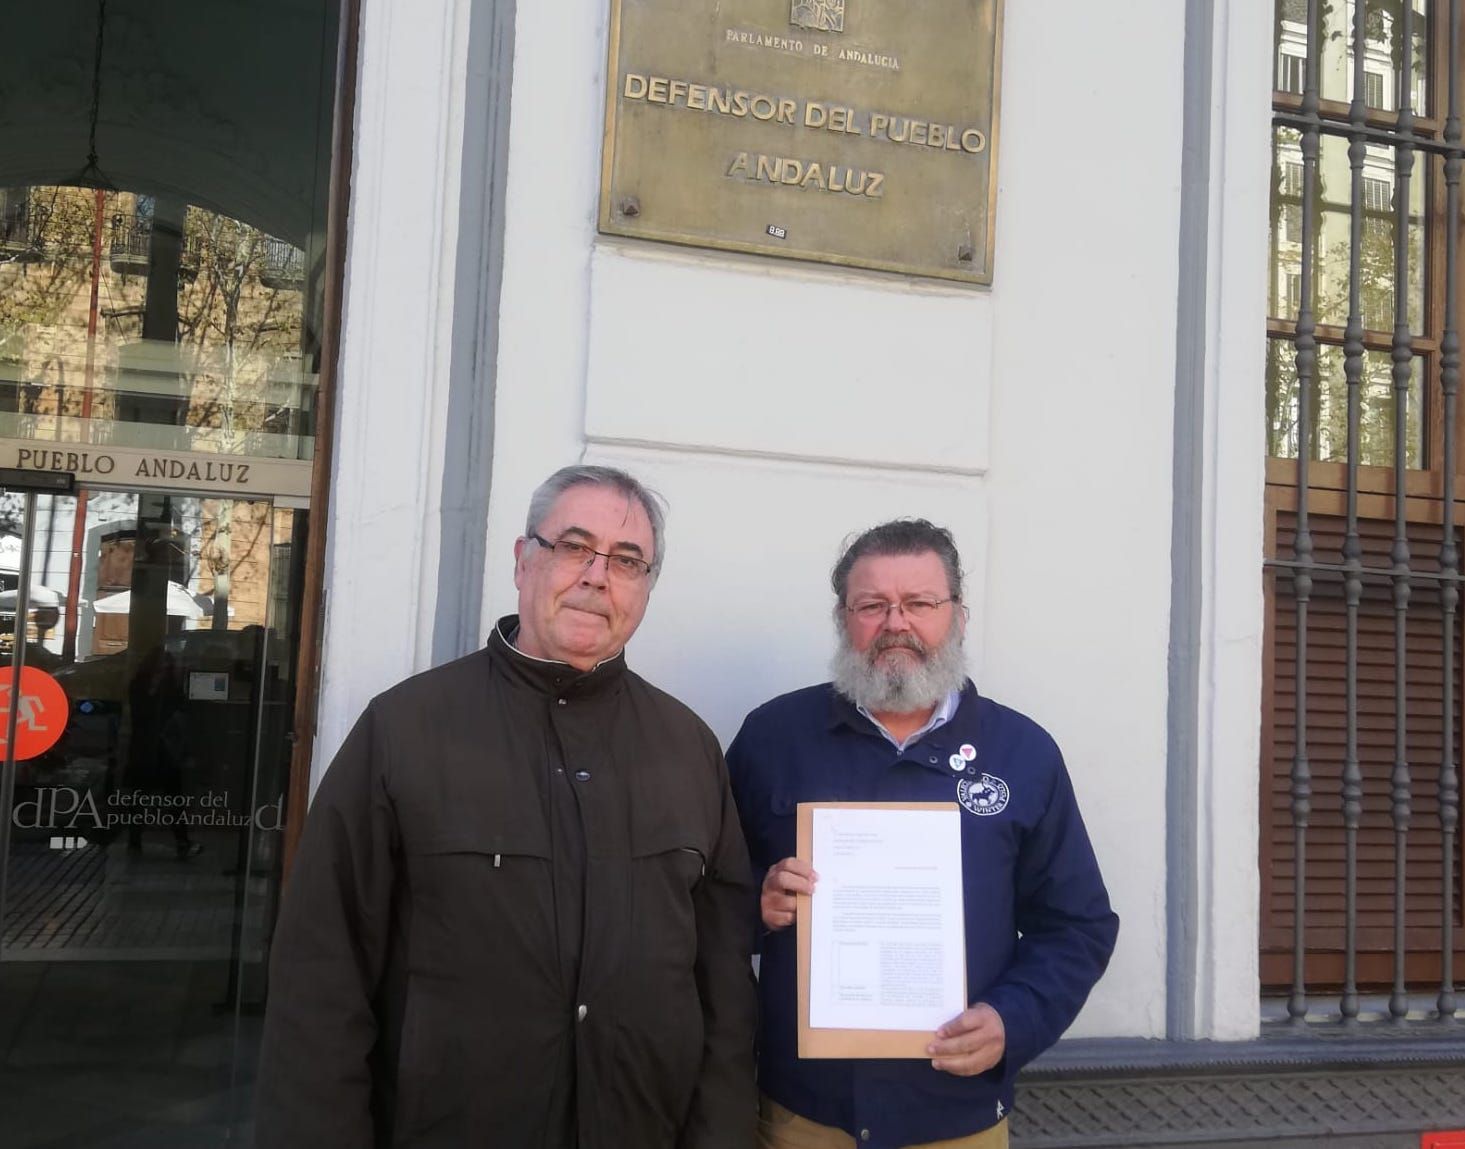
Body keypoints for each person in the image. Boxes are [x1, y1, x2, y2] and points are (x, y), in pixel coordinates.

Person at [255, 465, 756, 1149]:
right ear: (523, 561)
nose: (597, 576)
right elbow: (320, 976)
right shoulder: (405, 730)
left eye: (627, 560)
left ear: (646, 587)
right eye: (574, 547)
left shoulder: (689, 748)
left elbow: (725, 990)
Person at [727, 519, 1119, 1149]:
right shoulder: (773, 739)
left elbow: (1079, 925)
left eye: (919, 603)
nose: (895, 623)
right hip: (802, 1116)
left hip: (955, 1117)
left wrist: (1011, 1020)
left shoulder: (1023, 752)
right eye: (872, 605)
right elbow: (696, 896)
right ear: (842, 618)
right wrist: (758, 905)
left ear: (958, 616)